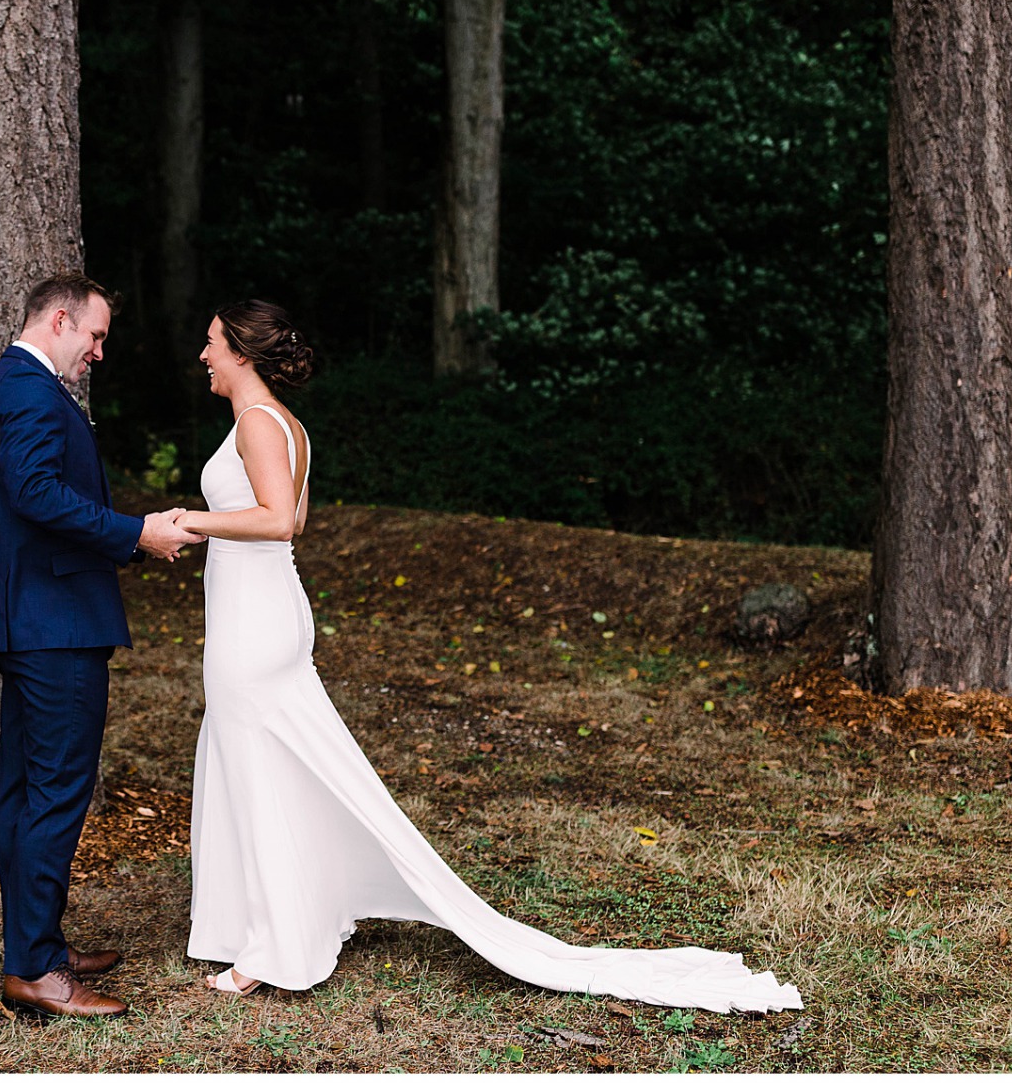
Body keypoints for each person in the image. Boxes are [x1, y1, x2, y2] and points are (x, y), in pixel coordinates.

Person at [174, 298, 802, 1013]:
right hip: (266, 610)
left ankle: (274, 944)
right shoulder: (288, 425)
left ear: (243, 352)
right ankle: (287, 914)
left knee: (259, 769)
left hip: (253, 623)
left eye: (212, 343)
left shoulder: (258, 422)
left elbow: (280, 519)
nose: (203, 355)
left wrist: (191, 518)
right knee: (277, 768)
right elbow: (294, 521)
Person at [0, 272, 203, 1020]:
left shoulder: (7, 384)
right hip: (53, 625)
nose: (99, 351)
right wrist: (136, 531)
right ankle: (35, 969)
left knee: (26, 793)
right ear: (61, 319)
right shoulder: (30, 391)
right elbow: (37, 495)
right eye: (95, 335)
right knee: (55, 794)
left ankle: (36, 944)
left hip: (32, 620)